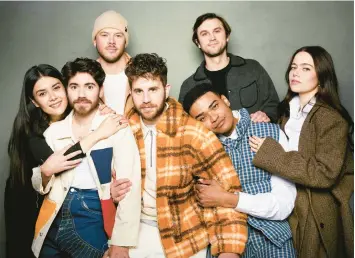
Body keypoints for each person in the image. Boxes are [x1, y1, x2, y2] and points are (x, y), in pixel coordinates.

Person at [118, 53, 248, 258]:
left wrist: (229, 251)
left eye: (153, 90)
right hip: (137, 232)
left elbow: (226, 193)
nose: (145, 99)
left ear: (166, 90)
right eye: (138, 91)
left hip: (187, 236)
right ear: (130, 94)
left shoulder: (194, 133)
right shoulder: (124, 129)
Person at [5, 64, 126, 258]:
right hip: (29, 202)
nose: (53, 97)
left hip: (67, 207)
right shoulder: (33, 131)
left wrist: (103, 109)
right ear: (34, 101)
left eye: (56, 88)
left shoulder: (78, 115)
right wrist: (100, 132)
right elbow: (63, 163)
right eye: (42, 93)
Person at [248, 46, 354, 258]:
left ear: (322, 77)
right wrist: (265, 120)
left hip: (317, 210)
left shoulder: (331, 118)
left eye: (306, 68)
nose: (295, 73)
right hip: (288, 203)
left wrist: (272, 154)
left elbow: (324, 174)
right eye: (293, 67)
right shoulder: (286, 113)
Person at [30, 58, 141, 258]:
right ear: (66, 89)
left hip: (93, 216)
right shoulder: (54, 132)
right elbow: (39, 183)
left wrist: (121, 243)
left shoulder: (116, 127)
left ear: (100, 90)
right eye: (74, 86)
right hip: (52, 218)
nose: (81, 94)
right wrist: (44, 173)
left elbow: (129, 189)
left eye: (89, 86)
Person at [183, 83, 296, 257]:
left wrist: (228, 199)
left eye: (214, 106)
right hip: (225, 243)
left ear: (225, 100)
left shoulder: (269, 131)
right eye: (202, 118)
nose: (213, 118)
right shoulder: (200, 151)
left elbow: (284, 204)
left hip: (273, 239)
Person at [179, 13, 280, 123]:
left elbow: (273, 105)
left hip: (255, 138)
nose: (212, 38)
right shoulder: (188, 86)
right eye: (204, 34)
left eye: (217, 31)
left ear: (227, 36)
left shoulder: (253, 68)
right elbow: (185, 126)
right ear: (198, 42)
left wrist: (267, 115)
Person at [92, 10, 133, 115]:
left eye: (118, 35)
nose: (111, 41)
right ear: (95, 41)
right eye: (104, 35)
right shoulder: (85, 78)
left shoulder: (142, 73)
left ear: (125, 41)